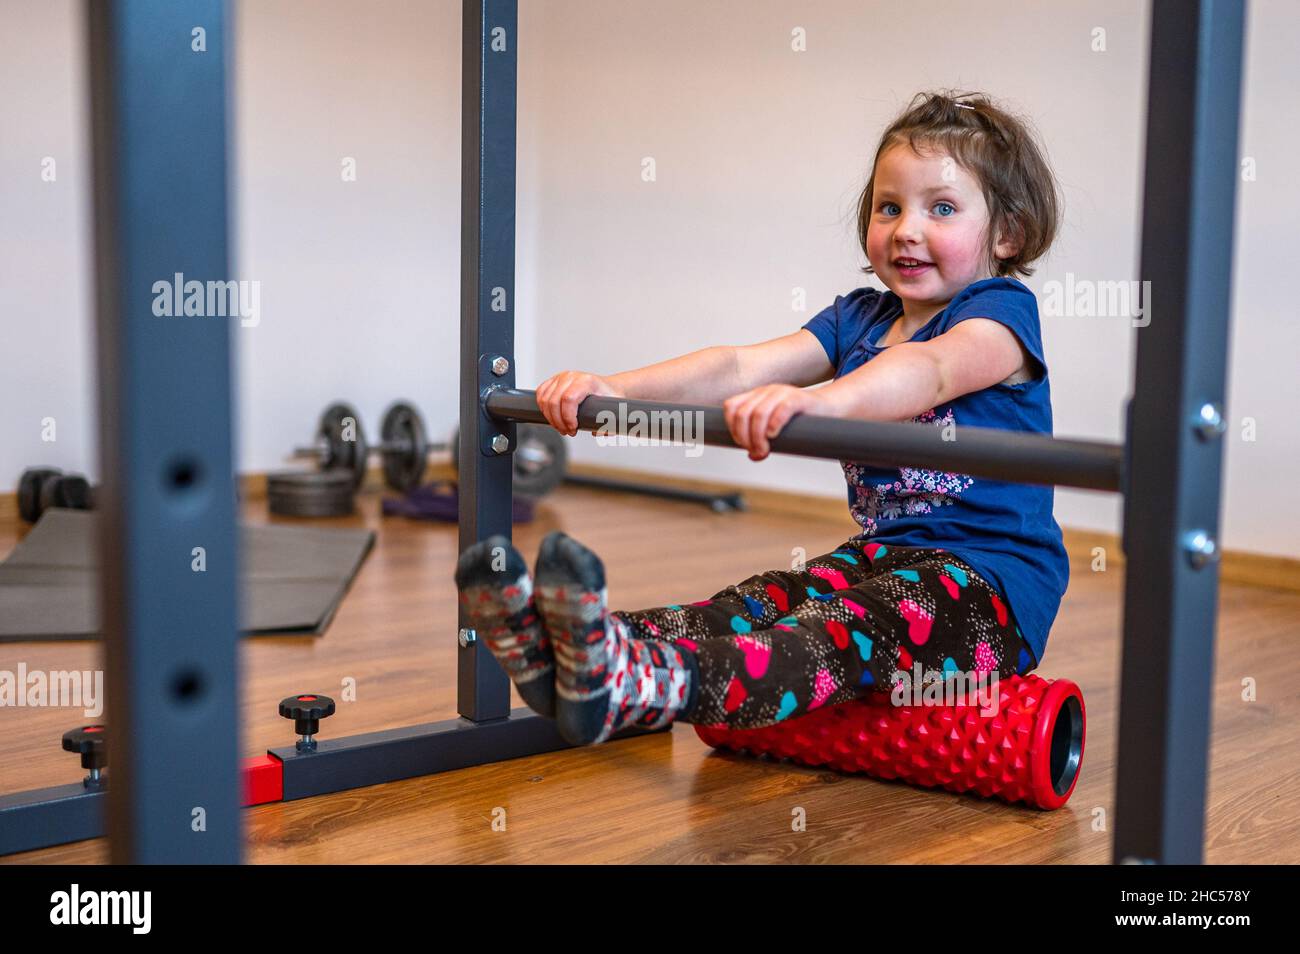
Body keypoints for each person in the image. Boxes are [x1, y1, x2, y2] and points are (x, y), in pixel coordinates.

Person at [456, 90, 1069, 748]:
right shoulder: (859, 319)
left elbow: (933, 371)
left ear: (1007, 233)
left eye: (941, 208)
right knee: (757, 602)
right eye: (889, 207)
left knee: (836, 629)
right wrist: (615, 391)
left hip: (990, 588)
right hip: (883, 557)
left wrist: (825, 403)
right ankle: (569, 652)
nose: (906, 229)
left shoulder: (1000, 316)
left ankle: (645, 681)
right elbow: (737, 369)